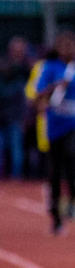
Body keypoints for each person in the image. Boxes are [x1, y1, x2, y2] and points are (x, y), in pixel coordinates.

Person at [25, 31, 75, 235]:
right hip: (55, 124)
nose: (67, 49)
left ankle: (73, 197)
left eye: (71, 45)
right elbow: (36, 96)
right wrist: (53, 88)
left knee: (74, 155)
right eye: (63, 45)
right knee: (55, 171)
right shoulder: (49, 68)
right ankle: (55, 214)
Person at [1, 37, 32, 178]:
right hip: (1, 118)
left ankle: (16, 181)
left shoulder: (26, 69)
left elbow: (25, 99)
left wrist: (24, 118)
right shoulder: (5, 65)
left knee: (16, 152)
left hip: (15, 118)